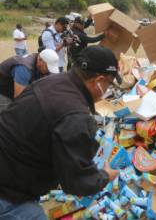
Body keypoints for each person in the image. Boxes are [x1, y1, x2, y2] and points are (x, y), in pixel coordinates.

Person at [0, 46, 119, 219]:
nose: (107, 89)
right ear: (99, 80)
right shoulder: (75, 115)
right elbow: (77, 183)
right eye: (109, 84)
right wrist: (104, 176)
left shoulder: (51, 82)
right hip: (8, 193)